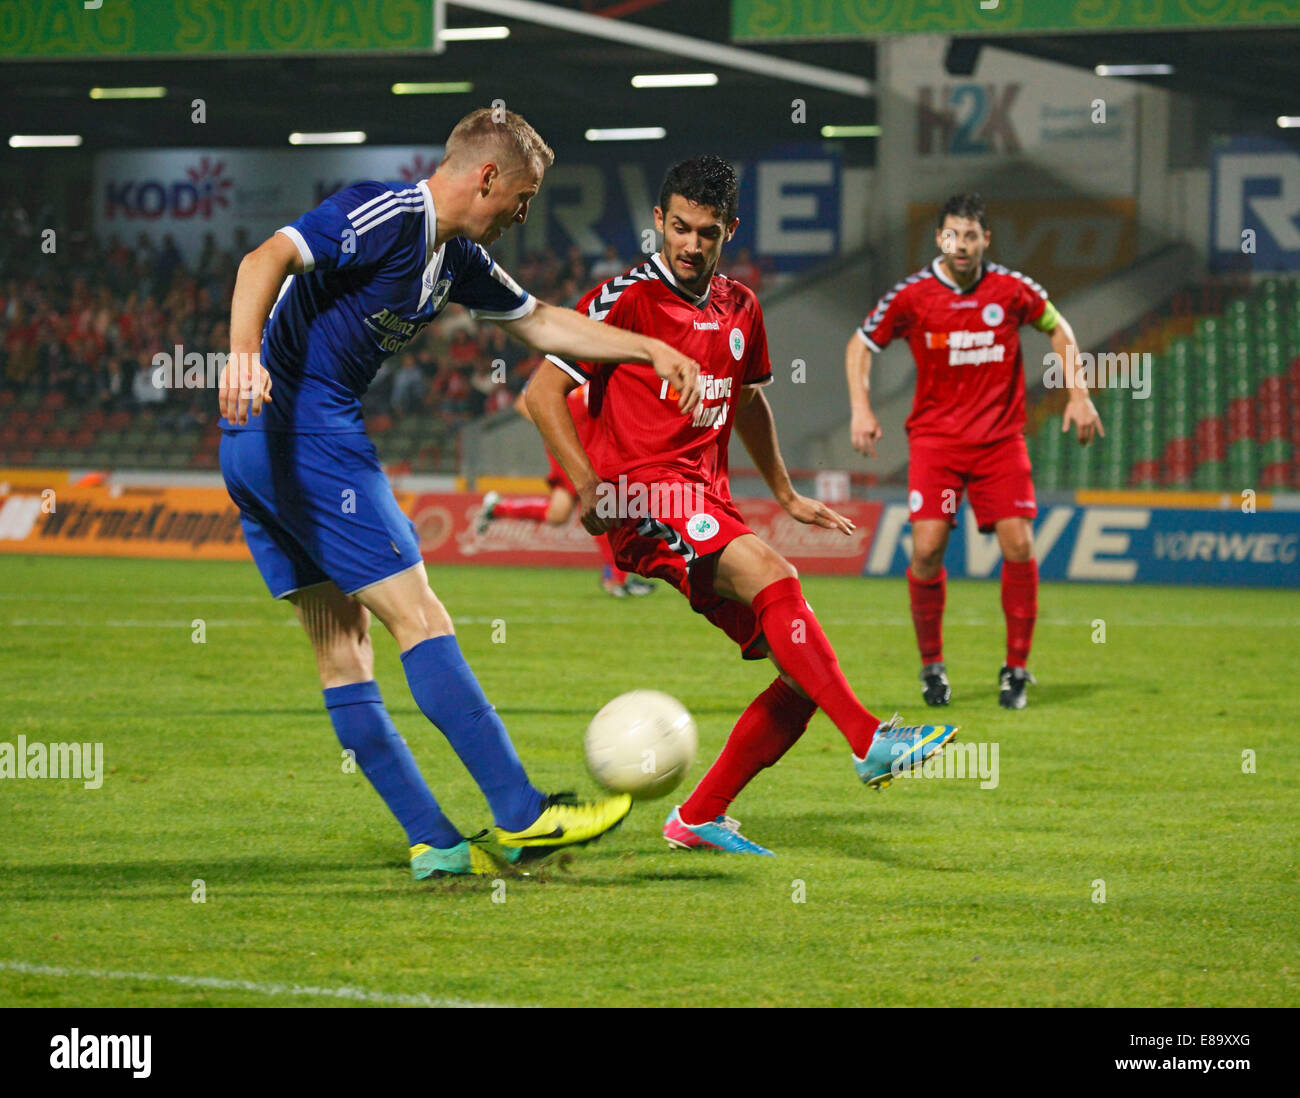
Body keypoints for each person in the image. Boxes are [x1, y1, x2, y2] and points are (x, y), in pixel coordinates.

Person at [217, 107, 702, 880]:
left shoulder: (455, 260)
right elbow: (261, 259)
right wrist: (243, 357)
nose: (524, 213)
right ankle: (522, 813)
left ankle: (435, 844)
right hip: (305, 436)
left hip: (252, 456)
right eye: (525, 196)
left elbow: (542, 322)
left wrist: (647, 347)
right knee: (421, 616)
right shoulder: (387, 212)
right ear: (487, 177)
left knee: (344, 655)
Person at [526, 155, 956, 857]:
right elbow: (539, 394)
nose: (692, 245)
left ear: (729, 231)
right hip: (643, 497)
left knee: (801, 671)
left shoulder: (740, 307)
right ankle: (872, 740)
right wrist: (586, 485)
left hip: (706, 500)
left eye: (708, 232)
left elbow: (749, 399)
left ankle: (698, 816)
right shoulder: (621, 301)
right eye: (681, 228)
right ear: (659, 222)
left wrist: (785, 492)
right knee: (774, 576)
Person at [846, 192, 1102, 709]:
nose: (960, 245)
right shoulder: (912, 295)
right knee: (926, 550)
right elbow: (860, 345)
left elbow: (1060, 330)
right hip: (937, 446)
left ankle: (1017, 668)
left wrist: (1078, 393)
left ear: (985, 239)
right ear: (939, 239)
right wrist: (861, 409)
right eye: (951, 235)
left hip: (999, 444)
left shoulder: (1011, 290)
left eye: (970, 235)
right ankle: (932, 667)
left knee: (1019, 547)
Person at [477, 387, 655, 598]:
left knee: (559, 514)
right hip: (571, 450)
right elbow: (523, 403)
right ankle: (616, 577)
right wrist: (555, 428)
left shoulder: (598, 366)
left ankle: (497, 508)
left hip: (593, 449)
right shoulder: (560, 364)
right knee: (605, 508)